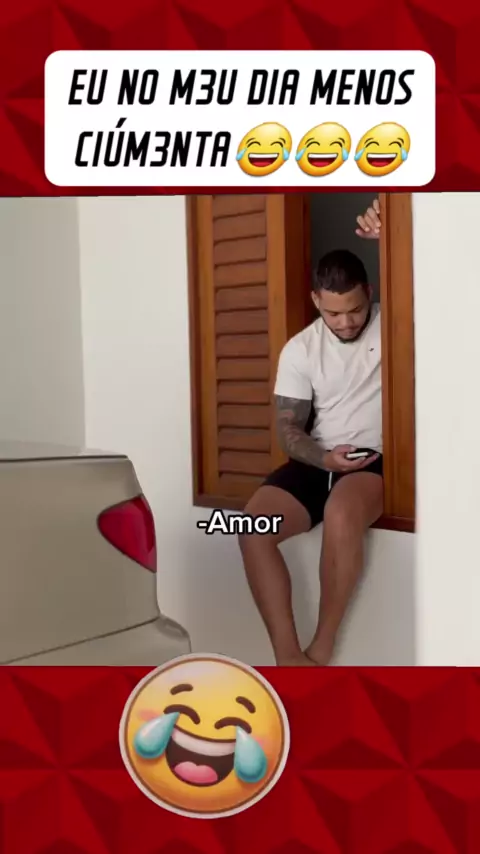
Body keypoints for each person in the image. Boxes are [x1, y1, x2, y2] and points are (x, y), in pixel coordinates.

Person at [238, 202, 383, 667]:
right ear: (317, 300)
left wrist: (391, 237)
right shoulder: (300, 350)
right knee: (250, 527)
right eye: (334, 313)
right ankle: (288, 659)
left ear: (369, 293)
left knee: (341, 513)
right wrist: (324, 459)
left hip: (376, 458)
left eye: (355, 310)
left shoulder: (396, 323)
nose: (346, 322)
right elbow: (288, 429)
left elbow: (445, 283)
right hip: (321, 457)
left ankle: (320, 650)